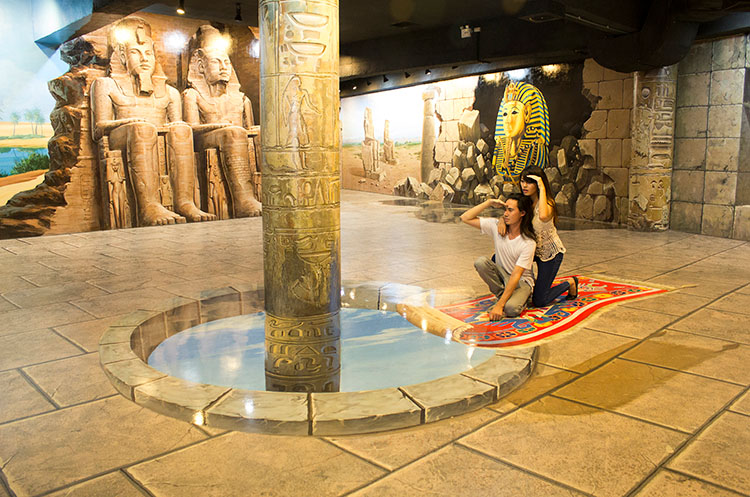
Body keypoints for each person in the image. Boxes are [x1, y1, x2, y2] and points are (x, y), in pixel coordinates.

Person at [90, 17, 214, 226]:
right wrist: (132, 122)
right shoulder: (106, 85)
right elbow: (98, 128)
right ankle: (149, 205)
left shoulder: (170, 93)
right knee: (142, 129)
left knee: (182, 129)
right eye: (135, 53)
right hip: (123, 138)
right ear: (121, 55)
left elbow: (178, 125)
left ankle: (184, 201)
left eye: (148, 53)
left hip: (154, 137)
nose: (144, 59)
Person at [460, 193, 537, 320]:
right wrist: (488, 203)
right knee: (481, 262)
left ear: (522, 213)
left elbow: (516, 275)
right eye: (505, 209)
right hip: (503, 275)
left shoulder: (528, 242)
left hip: (521, 282)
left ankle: (518, 299)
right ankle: (506, 297)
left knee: (511, 309)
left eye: (510, 210)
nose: (505, 214)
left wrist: (499, 306)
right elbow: (465, 218)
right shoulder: (497, 226)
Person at [518, 166, 578, 305]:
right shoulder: (524, 202)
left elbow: (544, 216)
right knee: (496, 258)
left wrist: (542, 188)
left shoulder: (548, 203)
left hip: (550, 253)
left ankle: (570, 283)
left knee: (539, 300)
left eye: (529, 182)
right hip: (531, 250)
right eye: (522, 181)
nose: (524, 185)